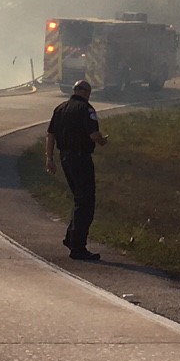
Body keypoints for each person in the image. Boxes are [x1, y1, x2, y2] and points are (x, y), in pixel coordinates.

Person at [44, 78, 107, 261]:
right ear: (87, 92)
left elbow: (50, 135)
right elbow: (94, 135)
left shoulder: (60, 108)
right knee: (86, 202)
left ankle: (71, 238)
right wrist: (102, 141)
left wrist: (49, 159)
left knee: (79, 199)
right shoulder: (86, 110)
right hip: (80, 159)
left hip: (65, 158)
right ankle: (78, 248)